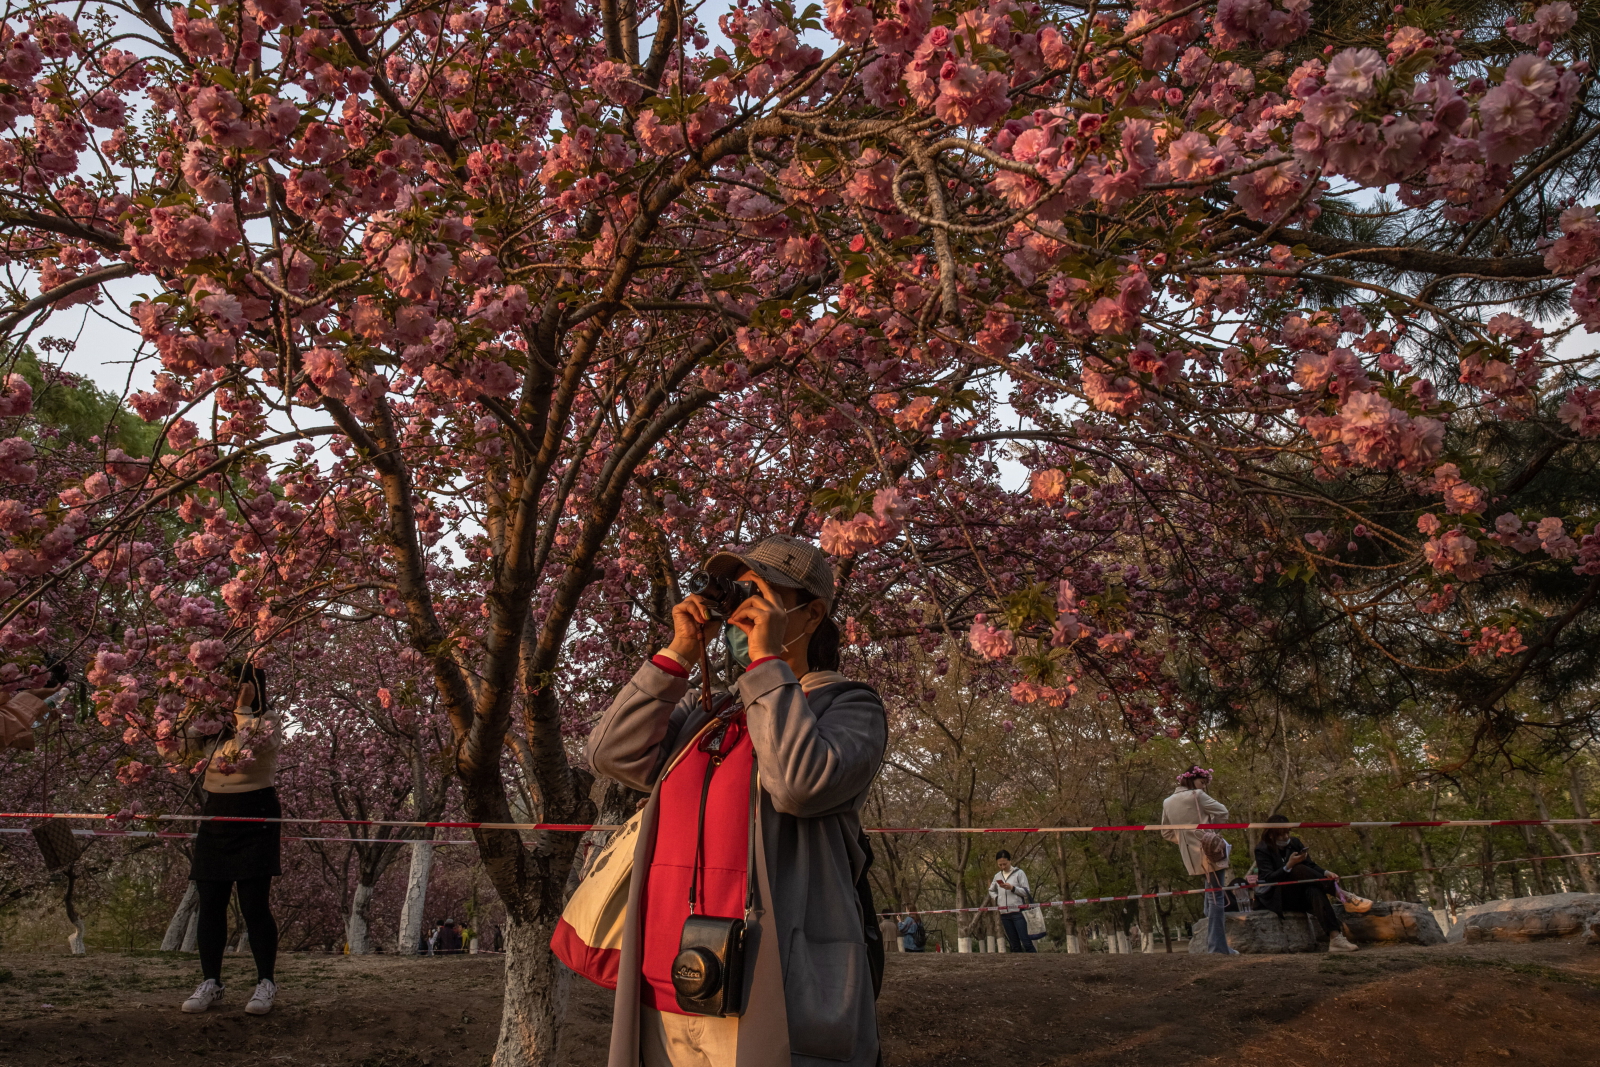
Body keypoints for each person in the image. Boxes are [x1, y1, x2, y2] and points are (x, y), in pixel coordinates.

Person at [582, 535, 887, 1067]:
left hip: (770, 984)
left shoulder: (849, 708)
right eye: (735, 597)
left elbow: (799, 783)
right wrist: (677, 655)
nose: (741, 614)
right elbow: (611, 754)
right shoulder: (711, 716)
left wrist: (768, 662)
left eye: (760, 597)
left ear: (811, 614)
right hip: (669, 975)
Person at [169, 661, 283, 1015]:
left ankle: (266, 982)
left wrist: (244, 708)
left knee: (253, 903)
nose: (227, 693)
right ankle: (211, 982)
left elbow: (250, 754)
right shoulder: (211, 728)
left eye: (235, 686)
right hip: (216, 810)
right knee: (211, 900)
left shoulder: (267, 721)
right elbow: (172, 752)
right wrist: (189, 711)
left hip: (255, 810)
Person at [1253, 815, 1361, 953]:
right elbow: (1268, 878)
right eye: (1281, 834)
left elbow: (1310, 865)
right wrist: (1289, 865)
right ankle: (1340, 894)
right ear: (1271, 834)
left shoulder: (1295, 842)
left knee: (1314, 890)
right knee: (1297, 868)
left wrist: (1325, 872)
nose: (1286, 837)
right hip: (1278, 896)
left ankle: (1335, 938)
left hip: (1300, 893)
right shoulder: (1262, 849)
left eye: (1287, 832)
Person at [1160, 765, 1235, 955]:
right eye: (1202, 782)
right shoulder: (1197, 796)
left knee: (1210, 897)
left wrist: (1185, 841)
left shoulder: (1167, 802)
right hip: (1210, 851)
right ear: (1192, 780)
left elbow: (1165, 832)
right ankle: (1217, 947)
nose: (1203, 787)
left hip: (1190, 855)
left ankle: (1213, 944)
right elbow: (1223, 812)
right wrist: (1213, 835)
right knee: (1216, 898)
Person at [988, 851, 1036, 953]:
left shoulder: (1019, 873)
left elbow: (1026, 891)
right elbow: (991, 890)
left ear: (1010, 861)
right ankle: (1017, 966)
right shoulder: (997, 876)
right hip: (1004, 913)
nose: (1002, 867)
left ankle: (1036, 963)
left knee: (1026, 942)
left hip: (1018, 912)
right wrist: (997, 898)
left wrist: (1012, 888)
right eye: (1000, 865)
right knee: (1014, 945)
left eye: (1005, 864)